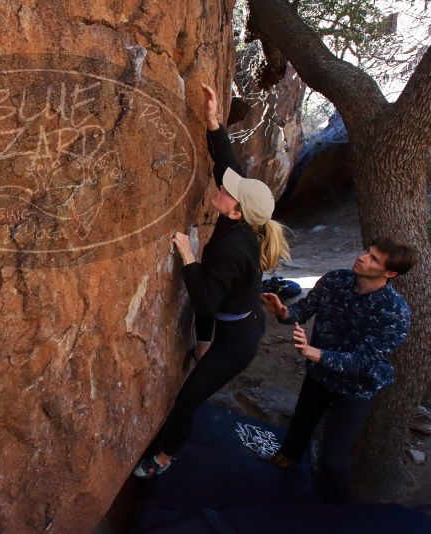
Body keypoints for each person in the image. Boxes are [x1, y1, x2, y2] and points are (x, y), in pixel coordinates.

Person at [133, 84, 290, 478]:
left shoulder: (233, 249)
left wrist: (187, 255)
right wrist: (213, 119)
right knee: (207, 332)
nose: (222, 188)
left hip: (238, 339)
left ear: (237, 213)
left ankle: (164, 460)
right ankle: (203, 349)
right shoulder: (239, 213)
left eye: (228, 194)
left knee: (187, 400)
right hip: (234, 312)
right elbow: (226, 163)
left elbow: (204, 301)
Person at [261, 237, 417, 503]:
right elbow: (305, 309)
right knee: (299, 427)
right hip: (320, 375)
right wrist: (284, 312)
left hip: (356, 388)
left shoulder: (394, 312)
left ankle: (335, 513)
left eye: (374, 259)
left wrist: (314, 353)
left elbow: (364, 361)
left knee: (333, 461)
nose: (363, 257)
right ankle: (284, 465)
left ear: (390, 273)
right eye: (367, 252)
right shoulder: (336, 280)